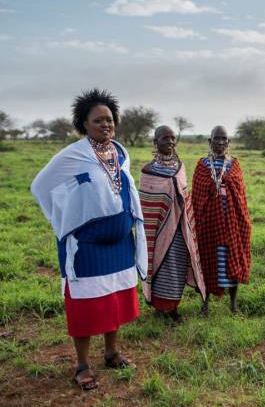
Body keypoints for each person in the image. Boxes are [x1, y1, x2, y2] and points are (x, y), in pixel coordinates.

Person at [30, 89, 147, 390]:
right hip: (88, 246)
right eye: (98, 120)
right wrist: (65, 220)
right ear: (84, 124)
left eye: (109, 119)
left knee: (115, 299)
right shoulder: (74, 155)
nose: (106, 125)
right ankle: (82, 365)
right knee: (85, 305)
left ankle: (112, 352)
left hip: (120, 243)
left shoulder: (120, 152)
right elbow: (41, 186)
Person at [139, 125, 207, 322]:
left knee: (177, 266)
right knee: (159, 265)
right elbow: (147, 204)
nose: (169, 142)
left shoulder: (180, 167)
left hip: (179, 228)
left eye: (172, 138)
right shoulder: (148, 171)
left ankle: (173, 307)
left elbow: (185, 196)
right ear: (155, 142)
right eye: (164, 139)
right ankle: (159, 307)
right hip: (157, 231)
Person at [192, 126, 251, 314]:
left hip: (231, 222)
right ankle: (205, 304)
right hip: (208, 223)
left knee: (231, 258)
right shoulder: (202, 165)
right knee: (208, 260)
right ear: (209, 142)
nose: (220, 142)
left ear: (228, 142)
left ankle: (233, 304)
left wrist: (225, 182)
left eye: (223, 139)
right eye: (216, 139)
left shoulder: (234, 164)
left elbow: (241, 195)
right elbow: (197, 197)